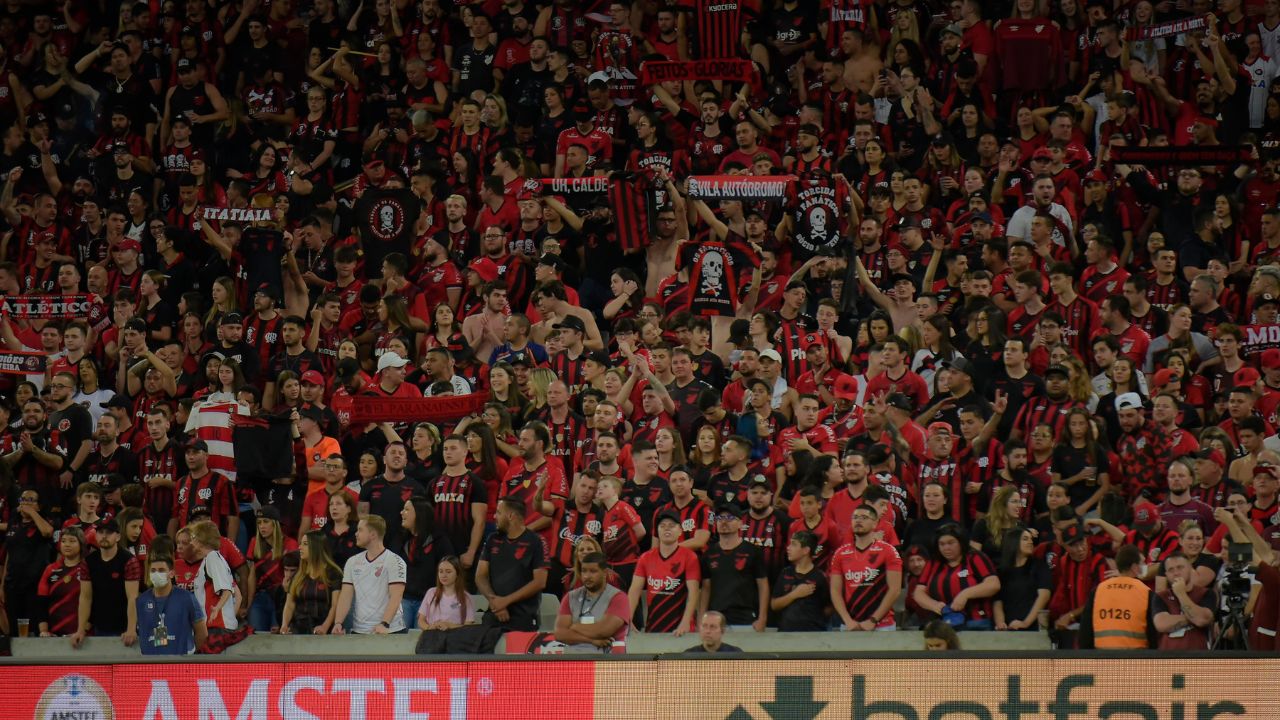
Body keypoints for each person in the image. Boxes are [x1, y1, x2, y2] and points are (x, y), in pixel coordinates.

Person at [475, 497, 548, 632]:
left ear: (510, 516)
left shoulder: (536, 541)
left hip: (524, 617)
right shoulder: (493, 539)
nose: (494, 516)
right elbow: (480, 576)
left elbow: (540, 582)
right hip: (494, 614)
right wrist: (494, 601)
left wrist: (506, 601)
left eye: (498, 512)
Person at [830, 504, 904, 631]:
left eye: (864, 517)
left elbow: (895, 589)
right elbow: (835, 591)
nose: (858, 520)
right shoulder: (840, 554)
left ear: (875, 524)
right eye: (855, 517)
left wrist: (873, 620)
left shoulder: (888, 551)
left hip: (882, 625)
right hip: (850, 624)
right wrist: (847, 620)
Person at [331, 515, 408, 635]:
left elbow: (396, 596)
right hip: (359, 631)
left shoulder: (395, 561)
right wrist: (338, 623)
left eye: (360, 530)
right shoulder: (352, 562)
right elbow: (345, 595)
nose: (356, 534)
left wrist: (384, 624)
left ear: (372, 534)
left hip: (390, 630)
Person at [699, 502, 769, 632]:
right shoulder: (709, 554)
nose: (724, 522)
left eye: (730, 518)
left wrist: (762, 618)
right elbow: (706, 589)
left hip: (745, 620)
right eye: (720, 518)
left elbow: (763, 585)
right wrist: (701, 620)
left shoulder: (753, 551)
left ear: (740, 524)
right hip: (717, 622)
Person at [629, 510, 701, 635]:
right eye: (662, 526)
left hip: (681, 630)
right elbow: (634, 591)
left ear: (680, 531)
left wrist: (685, 622)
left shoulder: (690, 557)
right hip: (653, 628)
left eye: (672, 526)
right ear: (657, 531)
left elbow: (693, 593)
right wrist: (628, 619)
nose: (667, 529)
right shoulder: (645, 558)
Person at [1078, 544, 1159, 649]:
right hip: (1136, 659)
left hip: (1102, 658)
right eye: (1142, 562)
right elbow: (1153, 634)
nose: (1145, 566)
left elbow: (1085, 631)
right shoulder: (1145, 592)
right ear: (1134, 567)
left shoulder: (1098, 590)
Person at [552, 552, 630, 652]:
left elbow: (603, 631)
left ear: (605, 572)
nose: (587, 576)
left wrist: (574, 626)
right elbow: (560, 633)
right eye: (584, 571)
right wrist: (591, 640)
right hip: (575, 659)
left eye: (593, 571)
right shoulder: (570, 597)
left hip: (608, 659)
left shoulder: (618, 598)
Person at [136, 554, 208, 655]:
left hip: (181, 663)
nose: (156, 574)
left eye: (161, 570)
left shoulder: (186, 598)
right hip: (151, 664)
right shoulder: (142, 601)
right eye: (153, 570)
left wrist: (192, 656)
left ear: (172, 573)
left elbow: (202, 632)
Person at [281, 531, 343, 635]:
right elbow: (290, 604)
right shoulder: (298, 575)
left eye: (305, 544)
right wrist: (284, 625)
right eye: (300, 544)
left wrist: (324, 627)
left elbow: (335, 606)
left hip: (322, 629)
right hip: (298, 628)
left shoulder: (333, 573)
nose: (300, 547)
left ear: (316, 547)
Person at [418, 556, 477, 631]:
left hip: (454, 639)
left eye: (448, 572)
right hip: (432, 637)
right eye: (441, 571)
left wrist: (450, 626)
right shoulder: (431, 592)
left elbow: (468, 625)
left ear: (457, 574)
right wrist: (429, 628)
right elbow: (421, 620)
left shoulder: (466, 597)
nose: (444, 575)